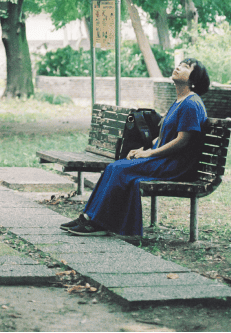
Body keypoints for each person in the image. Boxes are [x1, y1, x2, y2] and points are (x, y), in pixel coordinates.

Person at [61, 57, 211, 237]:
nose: (178, 67)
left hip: (176, 166)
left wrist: (149, 153)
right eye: (179, 64)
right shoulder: (180, 101)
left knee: (118, 170)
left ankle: (99, 222)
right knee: (114, 168)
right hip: (164, 160)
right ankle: (88, 217)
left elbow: (183, 140)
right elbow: (164, 137)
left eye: (186, 67)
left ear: (194, 80)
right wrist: (143, 150)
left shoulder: (191, 104)